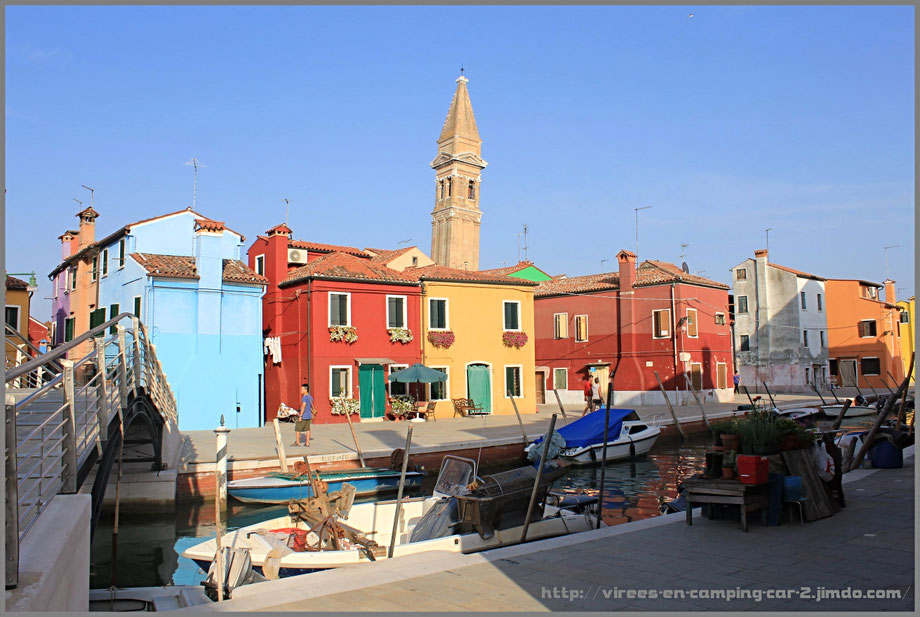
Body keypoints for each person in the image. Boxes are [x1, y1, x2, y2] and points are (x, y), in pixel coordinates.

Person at [292, 383, 313, 447]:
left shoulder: (304, 397)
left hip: (304, 416)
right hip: (309, 415)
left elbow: (303, 407)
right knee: (308, 429)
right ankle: (307, 443)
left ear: (306, 390)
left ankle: (298, 442)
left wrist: (300, 416)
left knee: (297, 429)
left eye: (302, 389)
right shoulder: (310, 397)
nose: (300, 390)